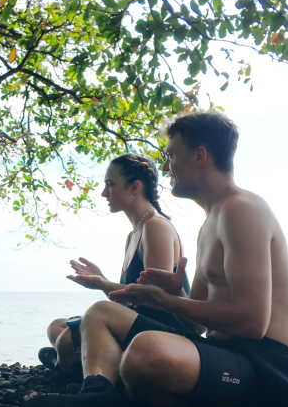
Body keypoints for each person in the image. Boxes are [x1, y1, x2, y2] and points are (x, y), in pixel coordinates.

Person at [22, 110, 288, 407]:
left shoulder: (242, 210)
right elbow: (196, 323)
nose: (166, 166)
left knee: (145, 353)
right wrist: (176, 294)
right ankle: (97, 400)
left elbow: (253, 323)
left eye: (171, 155)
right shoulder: (209, 223)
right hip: (228, 354)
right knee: (100, 313)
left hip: (269, 367)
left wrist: (168, 302)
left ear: (200, 156)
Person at [40, 153, 189, 390]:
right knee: (56, 326)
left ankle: (70, 366)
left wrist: (102, 284)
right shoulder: (134, 234)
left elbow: (156, 300)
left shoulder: (156, 227)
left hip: (164, 333)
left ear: (135, 188)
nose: (103, 193)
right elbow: (132, 301)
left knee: (67, 340)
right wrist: (102, 280)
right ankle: (69, 361)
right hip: (136, 323)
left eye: (110, 184)